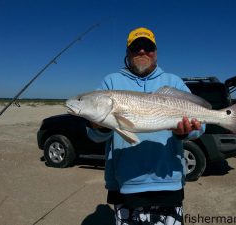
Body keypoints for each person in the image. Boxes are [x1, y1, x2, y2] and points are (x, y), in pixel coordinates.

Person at [88, 27, 206, 225]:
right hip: (125, 183)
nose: (142, 51)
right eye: (136, 47)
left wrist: (184, 132)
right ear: (127, 52)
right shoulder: (110, 82)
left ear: (156, 52)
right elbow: (95, 135)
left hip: (168, 182)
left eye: (148, 47)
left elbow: (200, 128)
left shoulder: (173, 82)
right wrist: (98, 125)